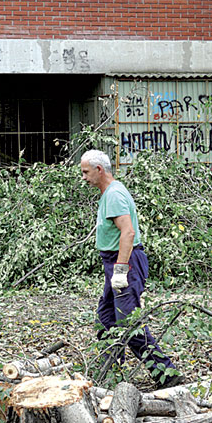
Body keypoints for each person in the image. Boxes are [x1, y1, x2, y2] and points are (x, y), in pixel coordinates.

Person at [80, 149, 184, 389]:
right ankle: (111, 375)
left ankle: (167, 375)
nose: (83, 177)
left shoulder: (114, 195)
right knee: (106, 318)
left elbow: (128, 233)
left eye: (86, 172)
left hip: (123, 261)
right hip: (116, 261)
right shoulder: (110, 192)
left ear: (99, 170)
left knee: (129, 323)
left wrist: (120, 270)